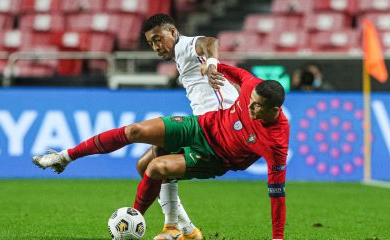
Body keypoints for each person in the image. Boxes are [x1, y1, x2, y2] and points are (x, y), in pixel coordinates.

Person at [32, 63, 289, 240]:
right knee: (135, 134)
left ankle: (131, 226)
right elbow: (238, 72)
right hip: (200, 126)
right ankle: (64, 157)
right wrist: (213, 67)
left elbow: (277, 192)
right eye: (251, 102)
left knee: (155, 168)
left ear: (275, 109)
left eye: (257, 107)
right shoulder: (251, 87)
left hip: (216, 157)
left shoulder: (276, 141)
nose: (250, 108)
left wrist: (278, 237)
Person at [139, 13, 239, 240]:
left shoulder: (185, 45)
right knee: (144, 165)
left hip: (217, 127)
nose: (155, 47)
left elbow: (210, 42)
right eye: (150, 43)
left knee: (152, 164)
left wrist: (212, 65)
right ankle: (187, 230)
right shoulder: (180, 56)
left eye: (157, 39)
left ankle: (176, 228)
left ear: (172, 32)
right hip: (206, 123)